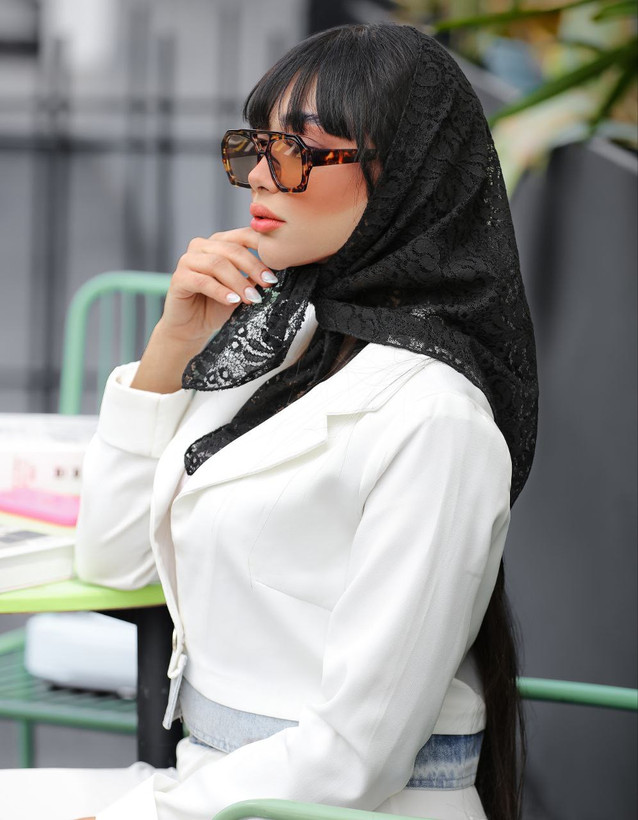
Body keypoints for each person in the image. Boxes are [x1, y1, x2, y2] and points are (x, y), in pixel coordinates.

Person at [1, 22, 537, 820]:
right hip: (211, 784)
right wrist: (171, 347)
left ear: (405, 176)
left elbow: (353, 758)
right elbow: (114, 559)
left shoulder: (437, 421)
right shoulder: (285, 340)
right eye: (255, 145)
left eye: (295, 150)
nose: (257, 173)